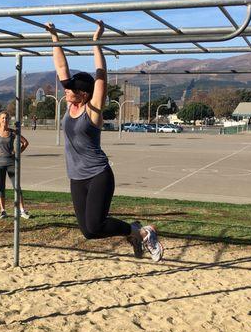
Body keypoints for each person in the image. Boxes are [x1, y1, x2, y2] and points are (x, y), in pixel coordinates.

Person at [45, 21, 163, 262]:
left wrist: (96, 41)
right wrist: (55, 37)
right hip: (76, 178)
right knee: (89, 231)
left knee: (96, 223)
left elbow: (101, 76)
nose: (65, 91)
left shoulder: (93, 110)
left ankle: (142, 232)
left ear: (84, 94)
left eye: (71, 89)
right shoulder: (70, 105)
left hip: (98, 174)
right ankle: (135, 232)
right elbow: (61, 67)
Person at [0, 111, 30, 219]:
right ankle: (3, 211)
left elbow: (25, 143)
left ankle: (22, 211)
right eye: (3, 118)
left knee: (17, 187)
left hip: (11, 163)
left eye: (7, 118)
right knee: (1, 187)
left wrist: (17, 153)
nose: (5, 120)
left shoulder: (13, 132)